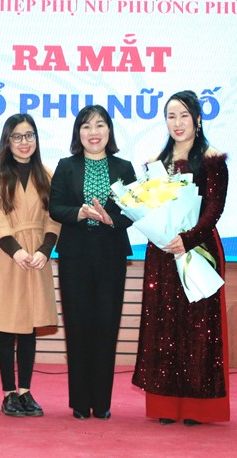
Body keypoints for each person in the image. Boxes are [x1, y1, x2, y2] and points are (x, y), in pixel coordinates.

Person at [133, 91, 230, 426]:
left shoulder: (212, 160)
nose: (178, 123)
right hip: (162, 252)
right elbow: (148, 208)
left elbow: (214, 209)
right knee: (163, 325)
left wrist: (186, 239)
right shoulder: (155, 163)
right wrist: (164, 236)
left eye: (184, 115)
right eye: (171, 116)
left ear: (198, 119)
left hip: (198, 250)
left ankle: (196, 406)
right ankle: (165, 403)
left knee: (198, 328)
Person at [49, 105, 136, 420]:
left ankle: (102, 403)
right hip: (75, 254)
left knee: (106, 325)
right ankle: (80, 402)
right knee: (78, 326)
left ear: (109, 131)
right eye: (86, 126)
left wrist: (110, 219)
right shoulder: (66, 166)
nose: (93, 132)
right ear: (78, 133)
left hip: (110, 253)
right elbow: (55, 206)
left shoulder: (124, 168)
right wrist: (79, 213)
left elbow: (132, 211)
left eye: (100, 125)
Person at [0, 114, 61, 418]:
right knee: (7, 325)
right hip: (8, 257)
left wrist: (44, 250)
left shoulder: (47, 175)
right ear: (7, 140)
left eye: (29, 135)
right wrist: (16, 252)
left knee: (29, 326)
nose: (24, 142)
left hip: (37, 258)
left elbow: (54, 218)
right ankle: (8, 393)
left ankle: (25, 391)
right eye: (17, 136)